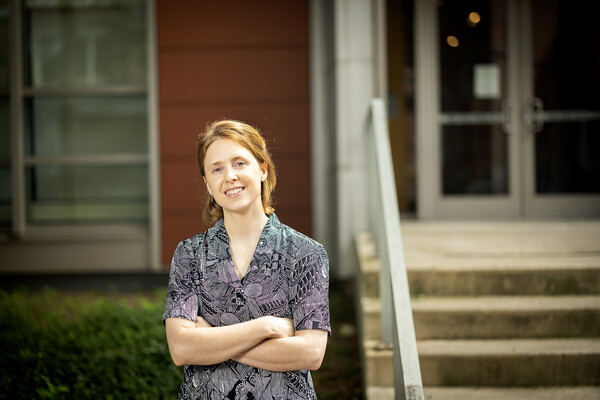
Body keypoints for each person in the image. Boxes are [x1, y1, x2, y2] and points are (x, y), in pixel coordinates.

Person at [163, 119, 331, 400]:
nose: (229, 176)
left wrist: (211, 338)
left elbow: (310, 353)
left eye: (239, 163)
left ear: (263, 169)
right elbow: (181, 349)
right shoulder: (189, 255)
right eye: (217, 169)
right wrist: (267, 327)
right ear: (207, 183)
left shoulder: (306, 254)